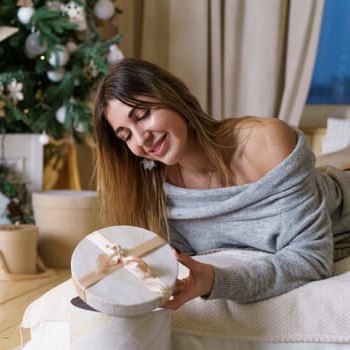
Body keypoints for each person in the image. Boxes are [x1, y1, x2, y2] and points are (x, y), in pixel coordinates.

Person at [92, 57, 350, 309]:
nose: (141, 139)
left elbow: (311, 259)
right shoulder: (158, 192)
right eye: (125, 136)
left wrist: (216, 281)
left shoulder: (265, 142)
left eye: (143, 115)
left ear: (173, 97)